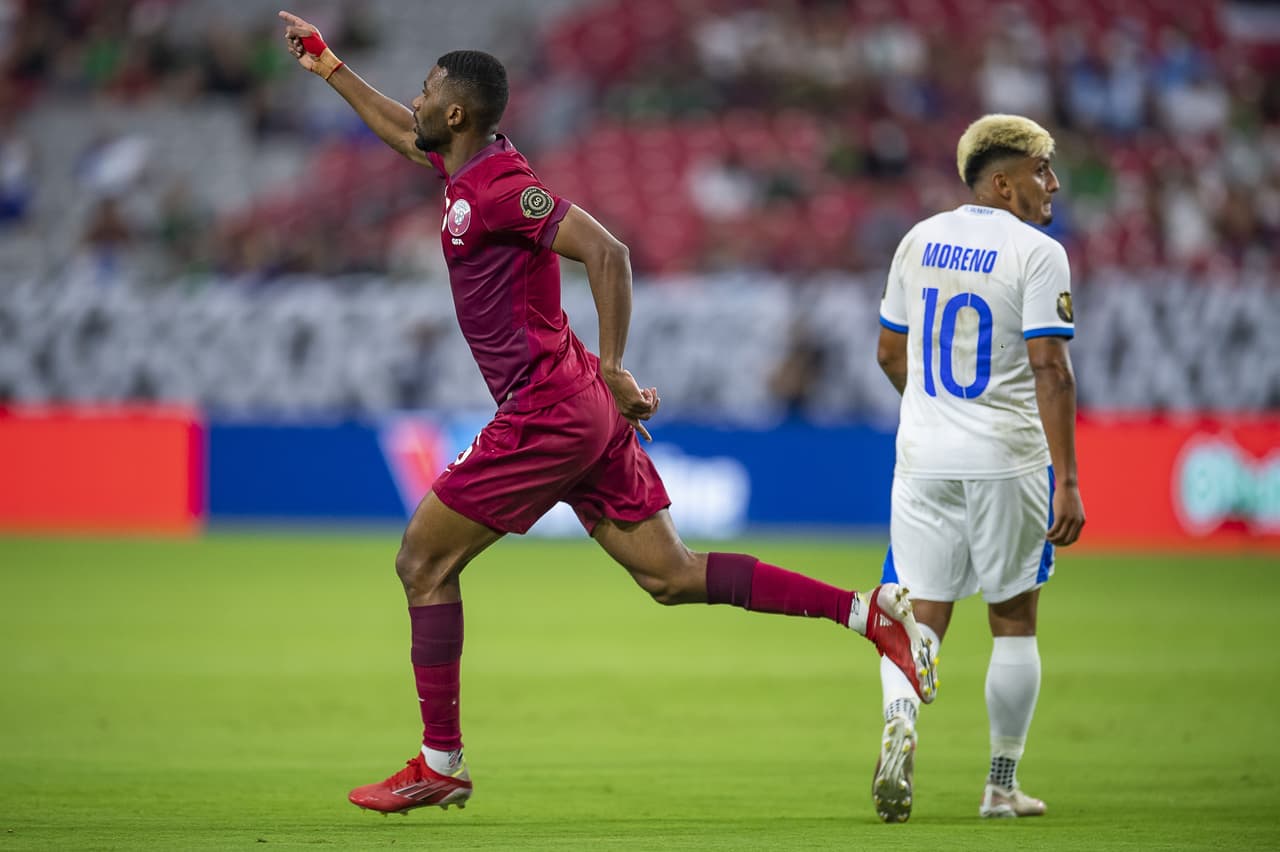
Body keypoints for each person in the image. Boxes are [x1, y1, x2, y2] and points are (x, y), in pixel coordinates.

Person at [277, 10, 938, 816]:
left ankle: (440, 760)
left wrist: (615, 365)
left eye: (425, 92)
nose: (413, 101)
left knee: (423, 561)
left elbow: (609, 251)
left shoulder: (499, 189)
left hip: (549, 408)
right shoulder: (464, 171)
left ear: (455, 113)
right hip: (577, 403)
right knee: (671, 575)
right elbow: (396, 129)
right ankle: (869, 614)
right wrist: (329, 64)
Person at [872, 113, 1086, 823]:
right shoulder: (1037, 251)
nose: (1053, 184)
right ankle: (1000, 785)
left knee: (919, 612)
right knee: (1014, 618)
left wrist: (933, 413)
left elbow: (888, 355)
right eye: (1039, 172)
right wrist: (1071, 479)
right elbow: (1050, 370)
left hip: (923, 458)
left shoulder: (917, 239)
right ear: (1002, 183)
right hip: (1006, 460)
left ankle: (900, 720)